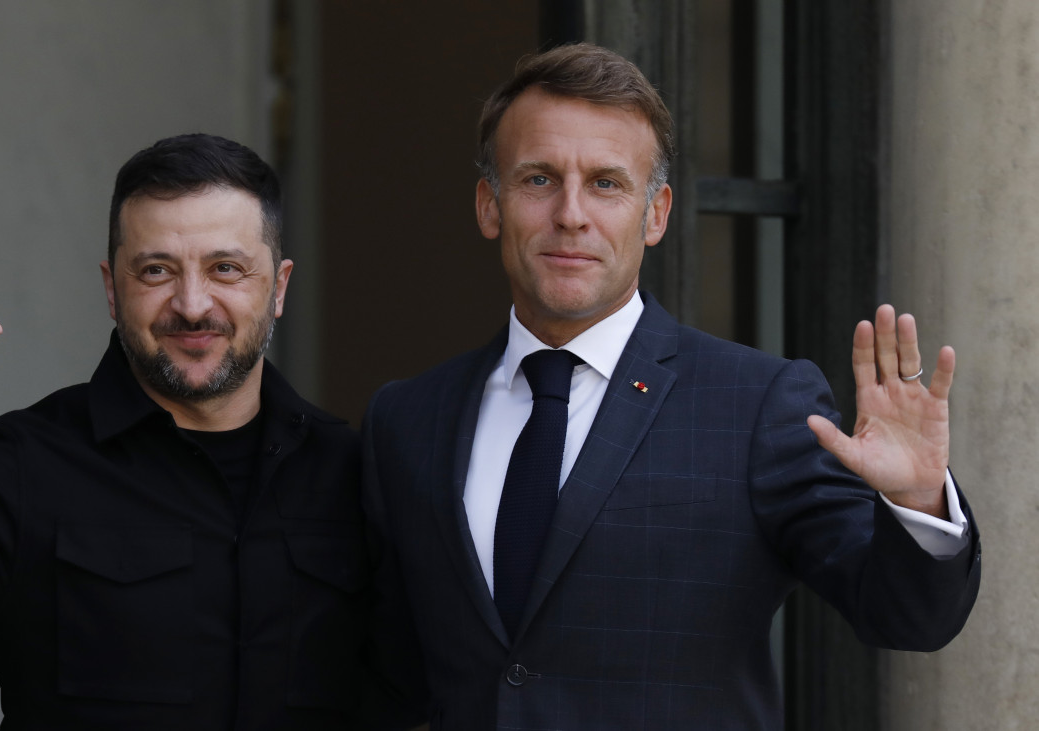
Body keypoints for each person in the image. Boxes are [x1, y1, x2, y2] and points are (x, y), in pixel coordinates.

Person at [361, 44, 981, 730]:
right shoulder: (407, 418)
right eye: (538, 179)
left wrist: (917, 500)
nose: (571, 213)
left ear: (655, 214)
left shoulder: (759, 405)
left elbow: (906, 616)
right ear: (489, 205)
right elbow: (389, 678)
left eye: (606, 183)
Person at [0, 134, 378, 729]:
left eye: (226, 269)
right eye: (156, 270)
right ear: (111, 289)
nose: (193, 304)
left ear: (277, 288)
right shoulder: (25, 464)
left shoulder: (356, 473)